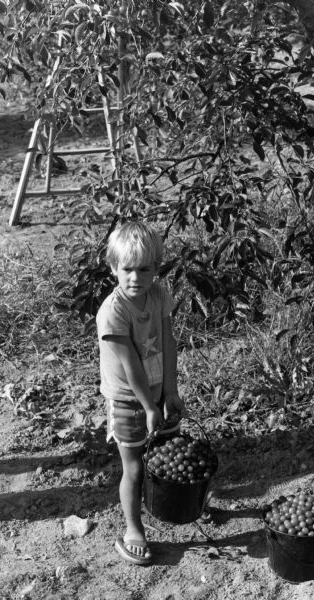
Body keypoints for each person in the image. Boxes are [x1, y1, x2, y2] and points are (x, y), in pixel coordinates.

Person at [96, 220, 184, 565]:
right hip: (128, 400)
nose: (136, 278)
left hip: (158, 391)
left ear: (155, 269)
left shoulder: (159, 295)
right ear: (114, 269)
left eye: (144, 269)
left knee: (165, 455)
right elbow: (130, 364)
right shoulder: (113, 311)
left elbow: (167, 341)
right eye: (127, 269)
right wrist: (149, 407)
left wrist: (171, 392)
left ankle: (174, 503)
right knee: (133, 467)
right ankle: (134, 528)